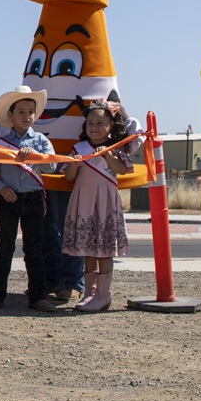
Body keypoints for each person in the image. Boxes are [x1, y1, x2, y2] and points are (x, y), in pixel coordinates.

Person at [0, 87, 58, 313]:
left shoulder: (42, 141)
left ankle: (37, 296)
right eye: (22, 112)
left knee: (34, 250)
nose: (27, 116)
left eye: (31, 112)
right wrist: (2, 188)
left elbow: (52, 167)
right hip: (9, 200)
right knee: (4, 248)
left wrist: (34, 157)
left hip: (34, 200)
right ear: (11, 115)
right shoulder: (2, 144)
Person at [62, 101, 133, 313]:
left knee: (104, 250)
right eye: (90, 123)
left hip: (105, 202)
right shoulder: (79, 149)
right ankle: (90, 293)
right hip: (84, 202)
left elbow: (123, 170)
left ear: (110, 125)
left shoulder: (116, 147)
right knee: (88, 251)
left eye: (100, 123)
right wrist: (74, 164)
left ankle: (103, 295)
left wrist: (108, 155)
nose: (94, 127)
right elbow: (69, 177)